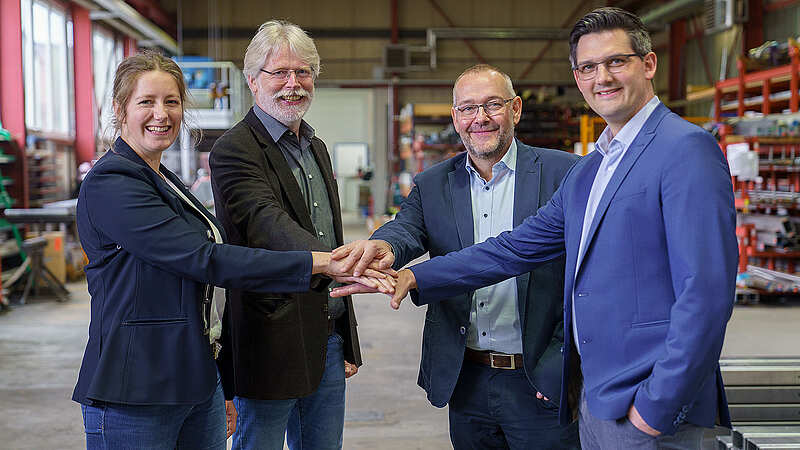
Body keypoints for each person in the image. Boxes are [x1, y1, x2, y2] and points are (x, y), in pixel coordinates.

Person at [337, 7, 738, 450]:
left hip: (647, 407)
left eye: (616, 61)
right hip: (598, 400)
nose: (602, 77)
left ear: (648, 64)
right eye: (588, 67)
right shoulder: (593, 169)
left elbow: (705, 294)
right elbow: (511, 249)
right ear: (577, 77)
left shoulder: (685, 149)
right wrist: (413, 276)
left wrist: (655, 409)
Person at [73, 51, 388, 450]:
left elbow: (207, 296)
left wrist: (222, 379)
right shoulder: (113, 182)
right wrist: (320, 262)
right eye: (146, 102)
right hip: (137, 387)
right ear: (120, 109)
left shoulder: (163, 179)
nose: (161, 114)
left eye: (172, 102)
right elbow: (204, 260)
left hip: (193, 379)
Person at [333, 64, 579, 449]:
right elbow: (406, 228)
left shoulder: (564, 173)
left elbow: (587, 278)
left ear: (515, 109)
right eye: (467, 108)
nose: (480, 118)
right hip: (467, 379)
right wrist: (384, 247)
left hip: (539, 377)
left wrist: (560, 366)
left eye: (492, 105)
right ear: (455, 117)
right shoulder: (433, 184)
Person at [208, 20, 375, 450]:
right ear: (252, 80)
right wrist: (338, 263)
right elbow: (267, 223)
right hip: (269, 337)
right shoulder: (235, 149)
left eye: (303, 72)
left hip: (327, 335)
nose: (293, 84)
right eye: (279, 73)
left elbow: (329, 232)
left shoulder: (316, 147)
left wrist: (347, 339)